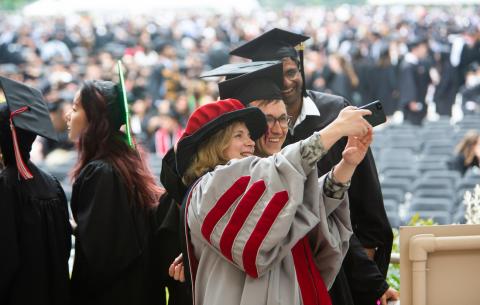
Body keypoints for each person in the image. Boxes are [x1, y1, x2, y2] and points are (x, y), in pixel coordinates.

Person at [230, 28, 397, 305]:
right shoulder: (256, 133)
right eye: (274, 74)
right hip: (285, 267)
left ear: (301, 69)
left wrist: (366, 278)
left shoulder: (336, 113)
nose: (286, 83)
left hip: (341, 258)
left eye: (292, 71)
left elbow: (365, 204)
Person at [176, 85, 373, 305]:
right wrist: (335, 129)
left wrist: (347, 165)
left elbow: (305, 212)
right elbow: (277, 170)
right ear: (213, 145)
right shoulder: (208, 189)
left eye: (250, 135)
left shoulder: (255, 186)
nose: (250, 142)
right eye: (239, 135)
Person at [66, 77, 165, 305]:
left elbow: (103, 255)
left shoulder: (101, 172)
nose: (68, 116)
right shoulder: (121, 163)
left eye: (74, 108)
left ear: (94, 118)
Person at [0, 76, 71, 305]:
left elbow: (6, 257)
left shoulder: (6, 186)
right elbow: (63, 247)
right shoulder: (52, 183)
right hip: (52, 291)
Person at [398, 36, 431, 126]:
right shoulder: (408, 65)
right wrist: (412, 101)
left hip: (421, 101)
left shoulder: (419, 63)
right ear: (415, 49)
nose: (425, 50)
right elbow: (408, 84)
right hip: (414, 105)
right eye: (423, 47)